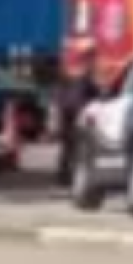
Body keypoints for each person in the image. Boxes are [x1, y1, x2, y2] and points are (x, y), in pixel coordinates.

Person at [56, 45, 101, 187]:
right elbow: (90, 95)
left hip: (68, 112)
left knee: (69, 146)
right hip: (76, 113)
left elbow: (61, 95)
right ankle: (68, 176)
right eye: (92, 57)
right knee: (75, 146)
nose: (94, 61)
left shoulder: (71, 73)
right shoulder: (85, 74)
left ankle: (64, 176)